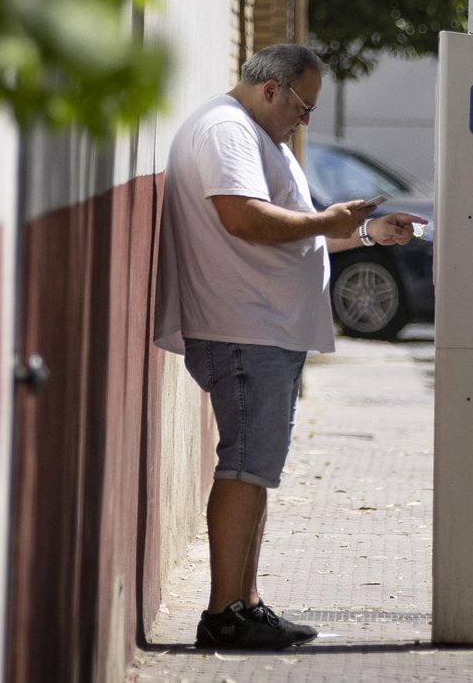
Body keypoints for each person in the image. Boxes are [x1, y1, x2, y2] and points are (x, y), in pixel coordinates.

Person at [152, 43, 426, 650]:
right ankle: (224, 612)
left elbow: (290, 234)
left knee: (258, 469)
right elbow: (245, 219)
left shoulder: (258, 137)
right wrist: (328, 222)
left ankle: (245, 604)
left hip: (263, 328)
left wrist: (361, 233)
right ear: (271, 88)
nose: (306, 120)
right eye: (303, 105)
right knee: (247, 465)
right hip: (245, 328)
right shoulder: (227, 130)